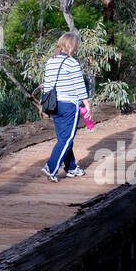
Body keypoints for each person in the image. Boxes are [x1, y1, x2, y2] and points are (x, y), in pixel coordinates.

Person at [41, 31, 90, 181]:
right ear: (72, 46)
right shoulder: (72, 62)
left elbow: (47, 86)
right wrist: (87, 105)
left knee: (64, 137)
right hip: (69, 105)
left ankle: (72, 167)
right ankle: (51, 167)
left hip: (55, 105)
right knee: (67, 139)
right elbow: (80, 86)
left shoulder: (51, 61)